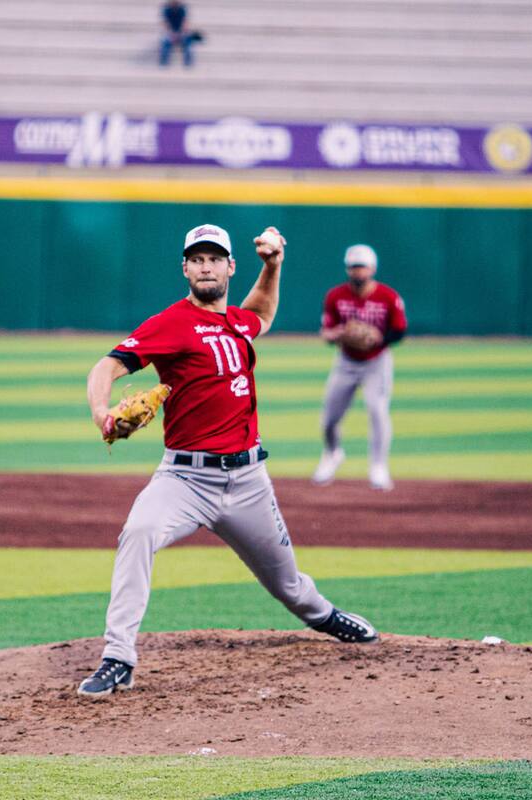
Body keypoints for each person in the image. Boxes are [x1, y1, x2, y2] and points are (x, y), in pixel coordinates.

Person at [77, 223, 381, 698]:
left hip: (248, 482)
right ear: (184, 267)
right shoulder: (171, 323)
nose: (205, 266)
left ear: (229, 267)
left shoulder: (238, 322)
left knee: (289, 587)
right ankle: (118, 656)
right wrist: (101, 410)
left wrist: (273, 265)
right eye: (196, 259)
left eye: (214, 258)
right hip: (183, 479)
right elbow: (107, 365)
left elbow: (261, 311)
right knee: (137, 533)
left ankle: (324, 616)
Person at [311, 244, 408, 491]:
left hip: (377, 361)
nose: (358, 271)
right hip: (346, 361)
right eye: (354, 267)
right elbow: (326, 333)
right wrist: (339, 333)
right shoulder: (335, 295)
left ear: (372, 268)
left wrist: (380, 338)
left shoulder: (388, 296)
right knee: (330, 418)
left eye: (362, 266)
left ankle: (378, 466)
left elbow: (399, 331)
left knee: (378, 411)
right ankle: (332, 454)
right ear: (348, 269)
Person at [159, 1, 196, 67]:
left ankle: (188, 63)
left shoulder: (182, 9)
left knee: (188, 42)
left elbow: (185, 23)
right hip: (170, 32)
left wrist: (180, 34)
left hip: (181, 32)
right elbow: (165, 24)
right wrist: (172, 34)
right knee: (164, 42)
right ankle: (164, 63)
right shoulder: (166, 9)